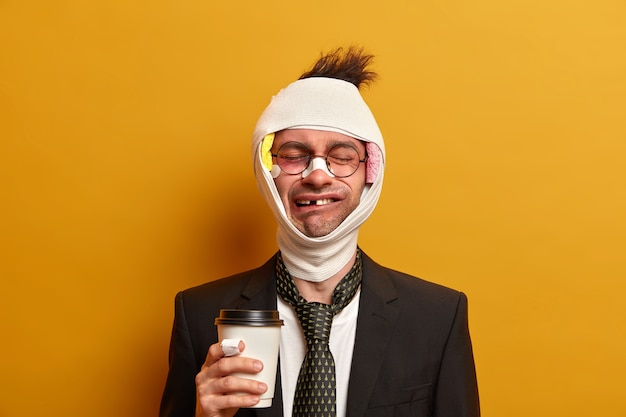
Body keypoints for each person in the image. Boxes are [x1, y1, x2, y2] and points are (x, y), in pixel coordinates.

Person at [160, 46, 480, 417]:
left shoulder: (437, 318)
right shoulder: (200, 314)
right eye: (294, 155)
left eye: (341, 156)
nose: (316, 174)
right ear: (268, 172)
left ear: (369, 171)